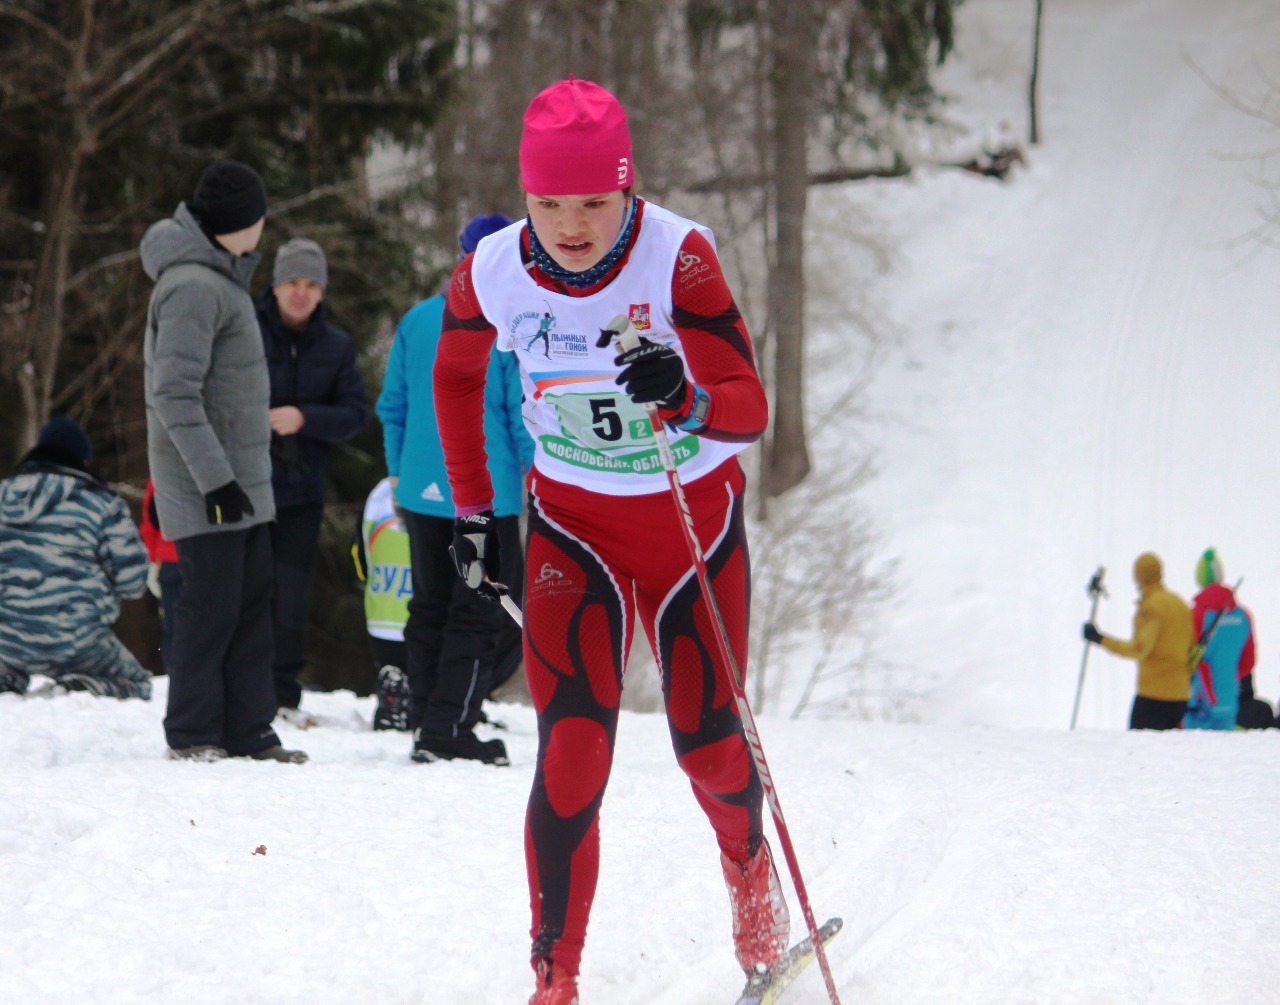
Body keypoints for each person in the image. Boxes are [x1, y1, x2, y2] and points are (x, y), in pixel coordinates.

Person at [432, 79, 783, 1005]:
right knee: (572, 748)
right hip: (571, 528)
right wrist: (475, 511)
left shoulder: (680, 258)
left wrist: (687, 394)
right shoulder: (495, 269)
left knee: (708, 747)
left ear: (628, 188)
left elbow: (748, 409)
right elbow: (456, 377)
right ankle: (557, 978)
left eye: (594, 200)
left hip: (688, 529)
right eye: (550, 202)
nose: (572, 223)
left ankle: (757, 913)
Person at [142, 158, 305, 763]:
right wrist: (214, 480)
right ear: (242, 221)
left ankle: (249, 729)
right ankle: (192, 732)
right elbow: (173, 393)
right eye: (259, 214)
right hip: (209, 486)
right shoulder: (191, 285)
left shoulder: (220, 280)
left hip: (243, 484)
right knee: (211, 611)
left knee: (250, 607)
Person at [376, 212, 533, 765]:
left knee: (431, 603)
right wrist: (544, 474)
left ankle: (428, 714)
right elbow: (521, 417)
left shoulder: (418, 320)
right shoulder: (508, 327)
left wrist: (398, 472)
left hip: (420, 489)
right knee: (480, 608)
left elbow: (392, 405)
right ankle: (449, 728)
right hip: (486, 495)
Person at [258, 237, 367, 720]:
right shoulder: (246, 332)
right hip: (248, 487)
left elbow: (352, 415)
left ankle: (282, 693)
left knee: (291, 596)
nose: (299, 293)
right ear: (275, 287)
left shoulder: (337, 347)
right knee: (246, 589)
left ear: (321, 292)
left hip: (302, 492)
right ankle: (243, 686)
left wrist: (304, 418)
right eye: (290, 283)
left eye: (309, 284)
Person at [0, 417, 153, 700]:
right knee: (137, 682)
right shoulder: (101, 504)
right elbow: (133, 582)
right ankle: (81, 687)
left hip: (7, 639)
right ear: (81, 458)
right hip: (77, 641)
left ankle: (6, 683)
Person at [1083, 551, 1194, 731]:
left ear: (1138, 576)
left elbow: (1140, 649)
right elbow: (1191, 645)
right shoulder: (1180, 604)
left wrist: (1100, 639)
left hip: (1154, 696)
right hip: (1180, 696)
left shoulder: (1151, 607)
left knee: (1140, 753)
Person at [353, 476, 414, 731]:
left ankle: (392, 692)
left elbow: (360, 555)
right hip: (423, 616)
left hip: (382, 616)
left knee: (393, 666)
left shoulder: (379, 493)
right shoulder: (445, 486)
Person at [139, 478, 182, 675]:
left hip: (169, 560)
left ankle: (175, 681)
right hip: (199, 560)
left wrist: (153, 559)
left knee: (173, 630)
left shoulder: (160, 473)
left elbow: (150, 521)